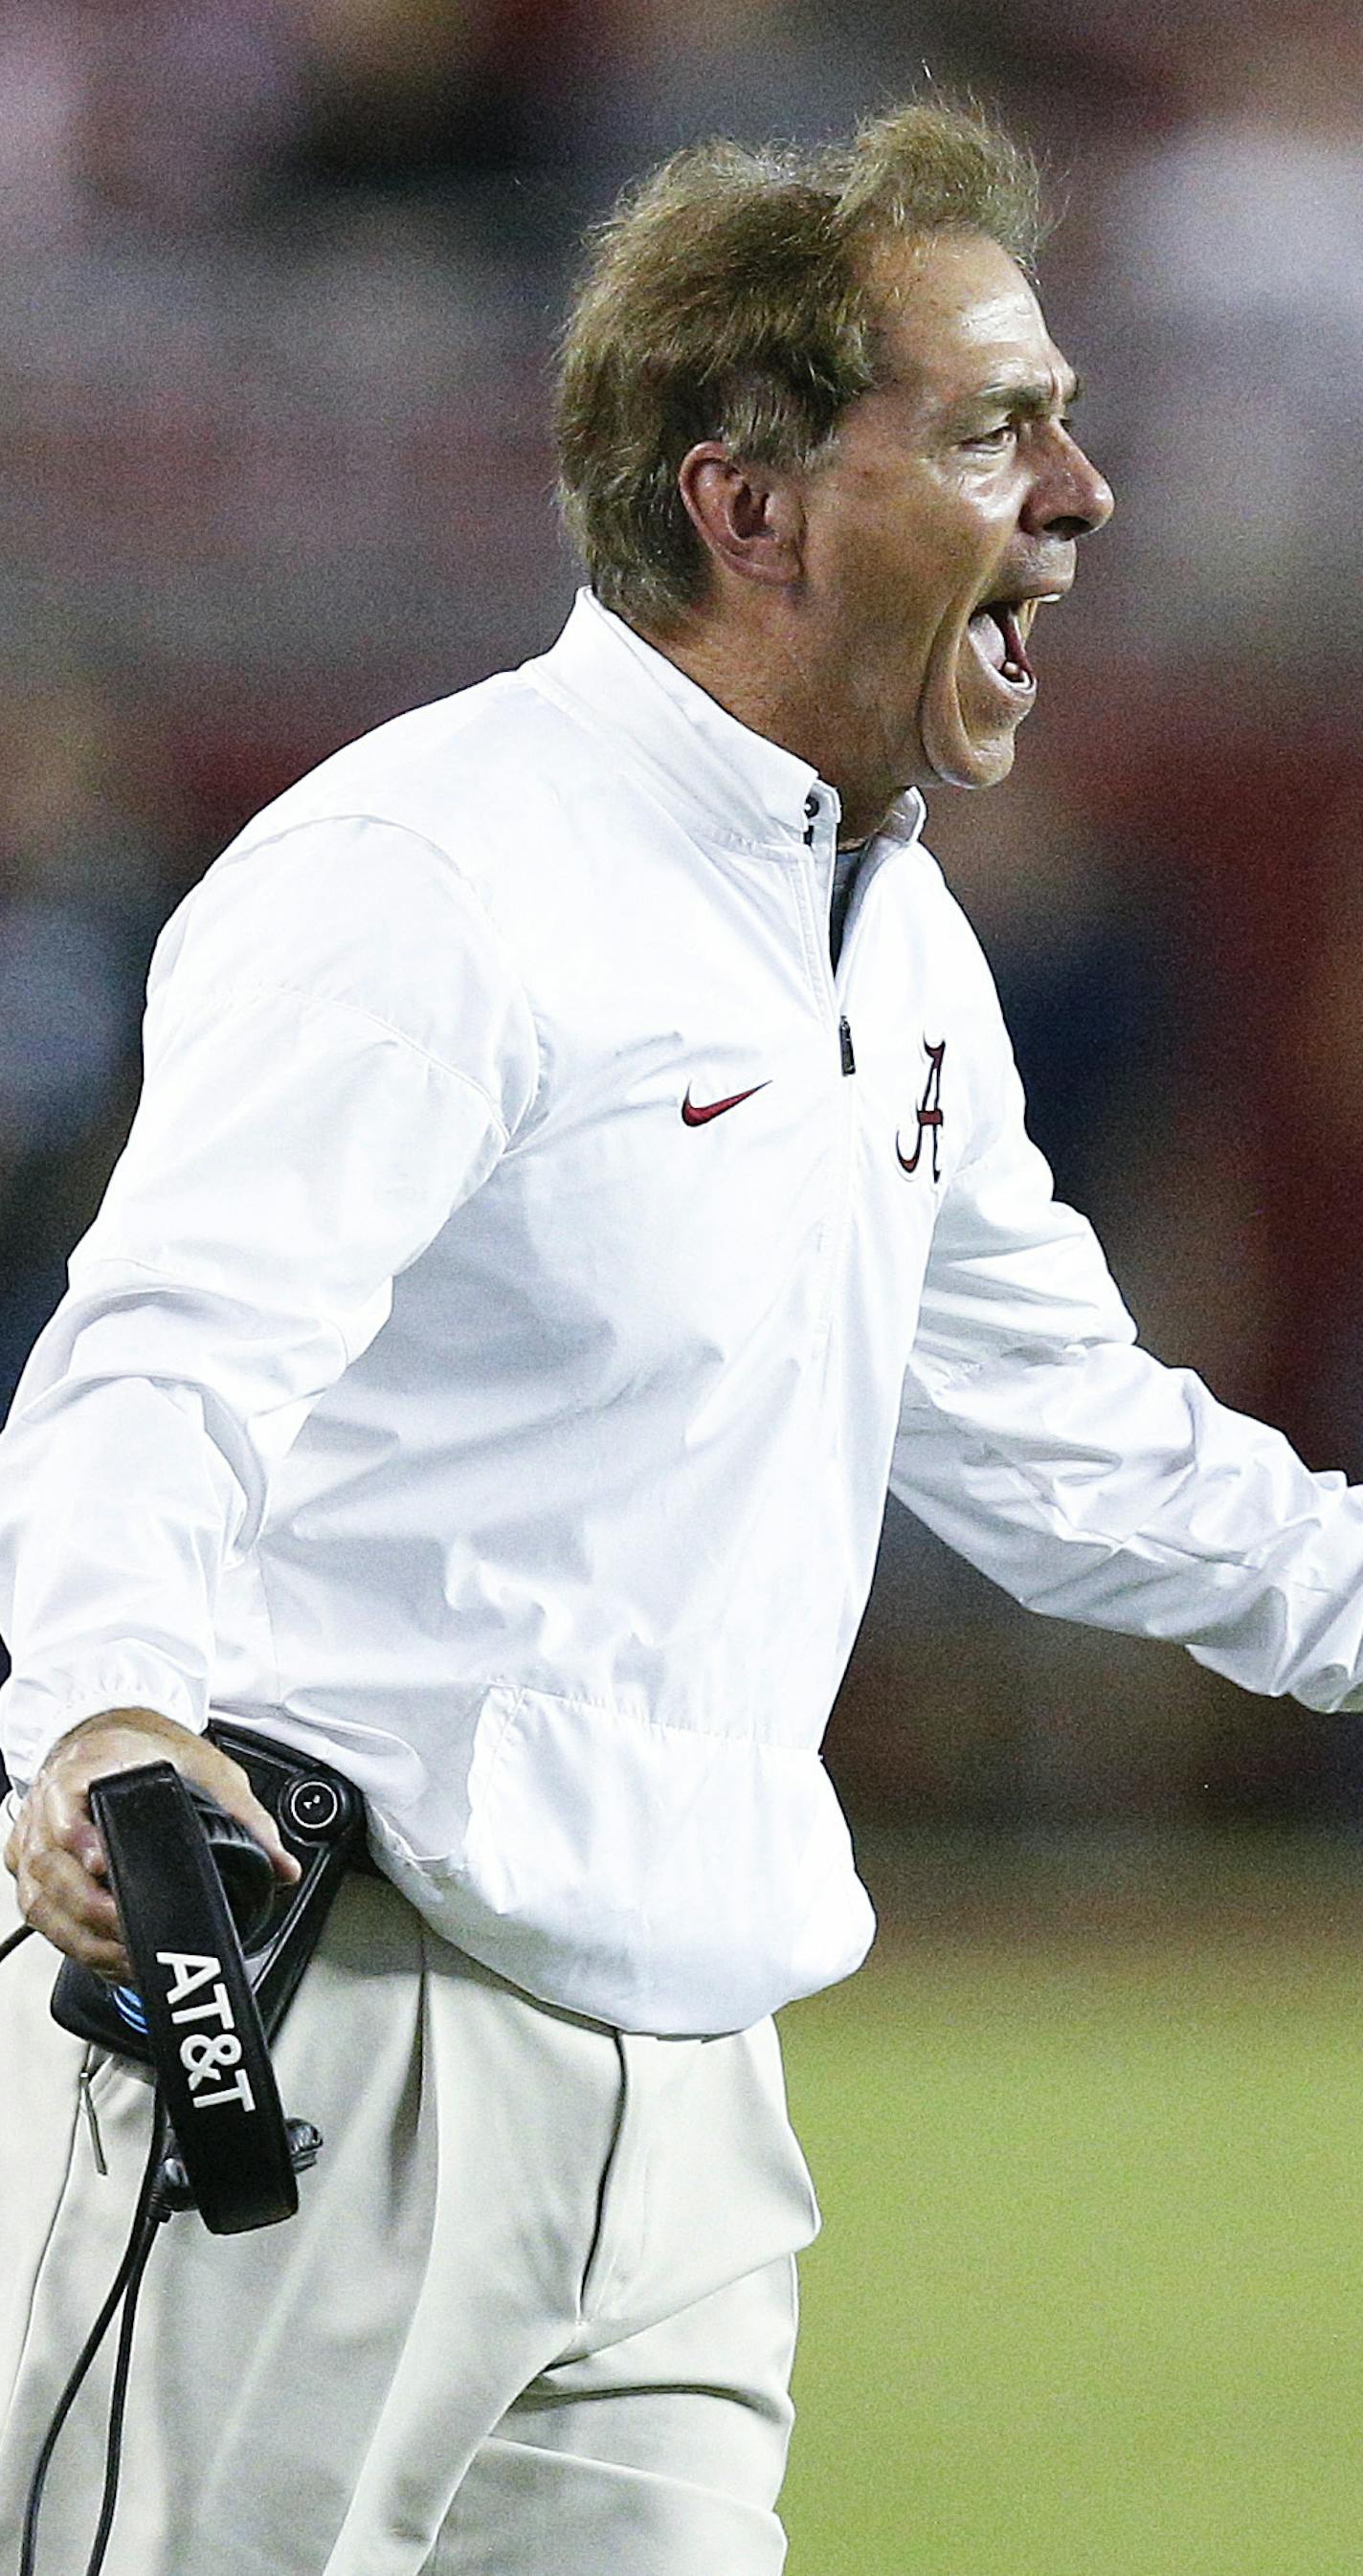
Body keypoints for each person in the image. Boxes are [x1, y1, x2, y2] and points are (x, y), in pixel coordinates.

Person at [4, 96, 1363, 2576]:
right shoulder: (427, 875)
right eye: (985, 425)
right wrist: (97, 1702)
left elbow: (1084, 1452)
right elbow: (165, 1349)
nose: (1080, 485)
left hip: (694, 2113)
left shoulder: (892, 926)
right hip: (319, 2038)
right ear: (747, 502)